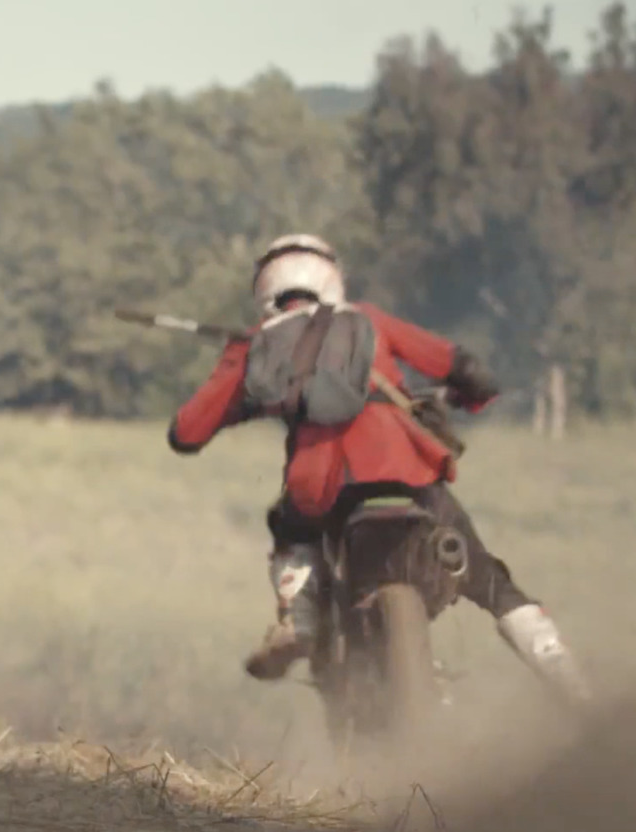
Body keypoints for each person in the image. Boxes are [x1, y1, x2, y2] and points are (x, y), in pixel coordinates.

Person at [166, 233, 592, 707]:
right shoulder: (368, 320)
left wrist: (246, 402)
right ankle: (573, 688)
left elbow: (185, 433)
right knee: (491, 581)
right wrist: (465, 398)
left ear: (264, 290)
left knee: (290, 526)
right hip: (409, 474)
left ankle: (300, 622)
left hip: (318, 488)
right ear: (332, 279)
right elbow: (472, 373)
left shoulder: (255, 344)